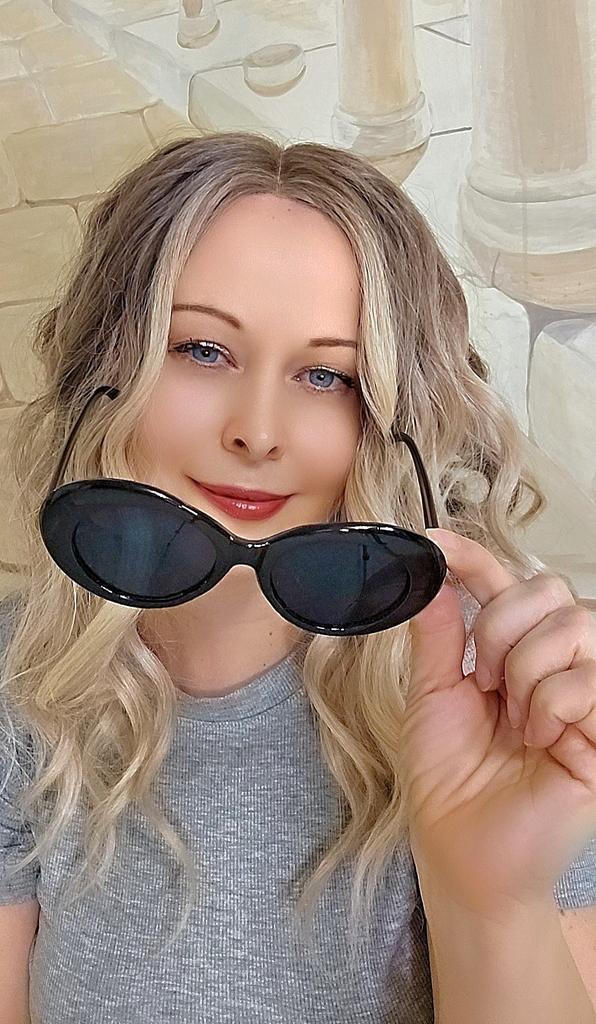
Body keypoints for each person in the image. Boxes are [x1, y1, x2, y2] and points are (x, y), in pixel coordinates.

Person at [1, 132, 594, 1024]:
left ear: (390, 417)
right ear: (106, 371)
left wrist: (492, 907)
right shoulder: (22, 680)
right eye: (203, 350)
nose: (259, 430)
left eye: (326, 375)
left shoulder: (501, 703)